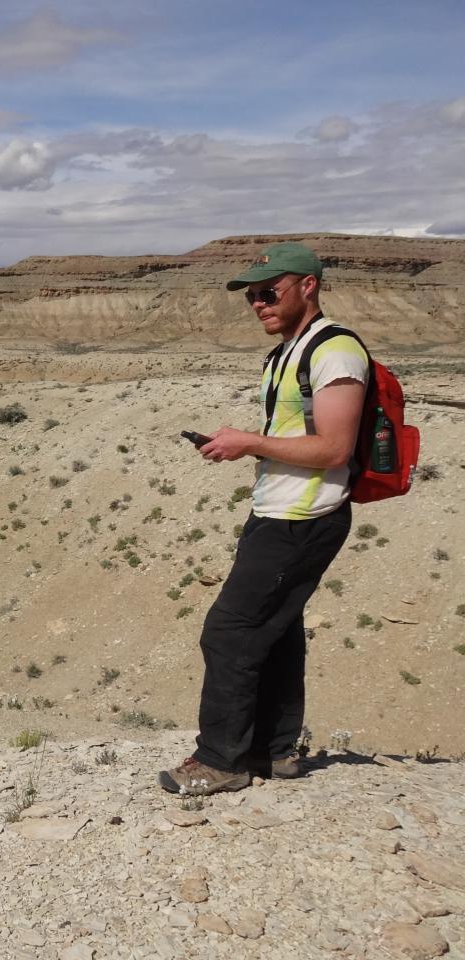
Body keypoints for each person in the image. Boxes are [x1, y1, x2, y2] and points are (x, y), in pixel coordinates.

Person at [160, 241, 367, 796]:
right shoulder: (284, 355)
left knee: (229, 632)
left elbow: (335, 449)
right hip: (277, 510)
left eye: (269, 292)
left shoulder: (334, 350)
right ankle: (272, 753)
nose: (258, 304)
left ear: (308, 285)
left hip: (305, 517)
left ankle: (221, 761)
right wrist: (243, 446)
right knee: (276, 632)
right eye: (252, 296)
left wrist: (249, 442)